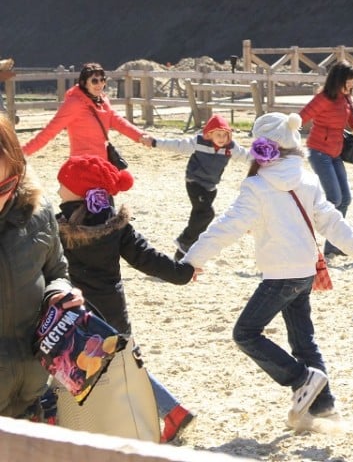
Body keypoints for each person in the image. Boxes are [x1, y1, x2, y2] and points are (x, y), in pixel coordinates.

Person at [184, 112, 353, 429]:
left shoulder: (257, 186)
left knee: (245, 334)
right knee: (304, 342)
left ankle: (301, 378)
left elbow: (226, 227)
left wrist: (193, 259)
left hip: (280, 275)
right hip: (305, 271)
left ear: (262, 147)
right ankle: (324, 407)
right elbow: (333, 223)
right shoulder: (308, 179)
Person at [54, 154, 197, 442]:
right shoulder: (115, 225)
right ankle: (173, 411)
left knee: (62, 364)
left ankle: (50, 420)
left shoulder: (55, 226)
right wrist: (182, 273)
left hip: (70, 313)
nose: (58, 190)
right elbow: (147, 257)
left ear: (78, 190)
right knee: (125, 365)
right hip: (111, 309)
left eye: (63, 185)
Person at [0, 112, 82, 421]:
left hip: (30, 391)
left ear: (19, 171)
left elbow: (56, 272)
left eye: (4, 186)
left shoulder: (37, 213)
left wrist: (59, 295)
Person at [299, 62, 353, 254]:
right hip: (319, 152)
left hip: (335, 153)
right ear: (339, 79)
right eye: (350, 80)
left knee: (345, 199)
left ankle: (333, 245)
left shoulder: (345, 98)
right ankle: (305, 226)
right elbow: (301, 117)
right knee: (335, 198)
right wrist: (284, 136)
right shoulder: (323, 98)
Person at [146, 114, 250, 259]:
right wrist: (155, 142)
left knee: (199, 217)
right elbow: (177, 145)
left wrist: (266, 160)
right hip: (195, 182)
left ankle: (183, 252)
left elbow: (247, 156)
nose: (222, 138)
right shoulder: (199, 142)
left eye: (225, 135)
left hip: (211, 187)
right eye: (218, 134)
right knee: (207, 214)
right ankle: (184, 242)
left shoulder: (230, 147)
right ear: (209, 134)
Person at [22, 63, 151, 160]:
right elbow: (49, 131)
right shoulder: (74, 103)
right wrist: (22, 154)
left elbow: (119, 122)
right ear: (84, 83)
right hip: (82, 164)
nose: (99, 84)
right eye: (94, 81)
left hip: (103, 162)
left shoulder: (103, 100)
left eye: (102, 80)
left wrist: (140, 135)